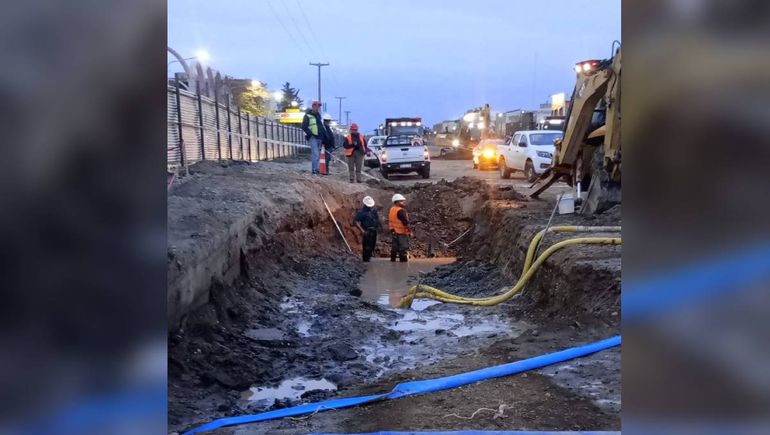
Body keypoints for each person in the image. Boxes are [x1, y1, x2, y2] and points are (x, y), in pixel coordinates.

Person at [301, 101, 328, 175]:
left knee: (318, 154)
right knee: (315, 154)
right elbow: (304, 126)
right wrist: (310, 134)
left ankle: (317, 169)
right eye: (316, 106)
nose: (317, 107)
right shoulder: (307, 116)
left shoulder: (319, 116)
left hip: (319, 137)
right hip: (313, 138)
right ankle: (314, 171)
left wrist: (325, 136)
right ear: (313, 106)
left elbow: (321, 127)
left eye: (318, 106)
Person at [352, 196, 380, 262]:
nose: (370, 207)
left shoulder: (374, 211)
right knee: (367, 247)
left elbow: (377, 220)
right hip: (367, 231)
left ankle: (369, 259)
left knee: (372, 246)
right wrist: (362, 230)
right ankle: (366, 261)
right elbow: (355, 222)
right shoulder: (361, 212)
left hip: (374, 231)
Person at [388, 193, 412, 262]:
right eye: (401, 201)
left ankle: (393, 260)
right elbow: (406, 223)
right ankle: (403, 263)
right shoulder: (401, 211)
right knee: (403, 248)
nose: (403, 202)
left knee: (394, 248)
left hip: (393, 231)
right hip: (401, 232)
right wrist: (410, 231)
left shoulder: (392, 209)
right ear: (397, 202)